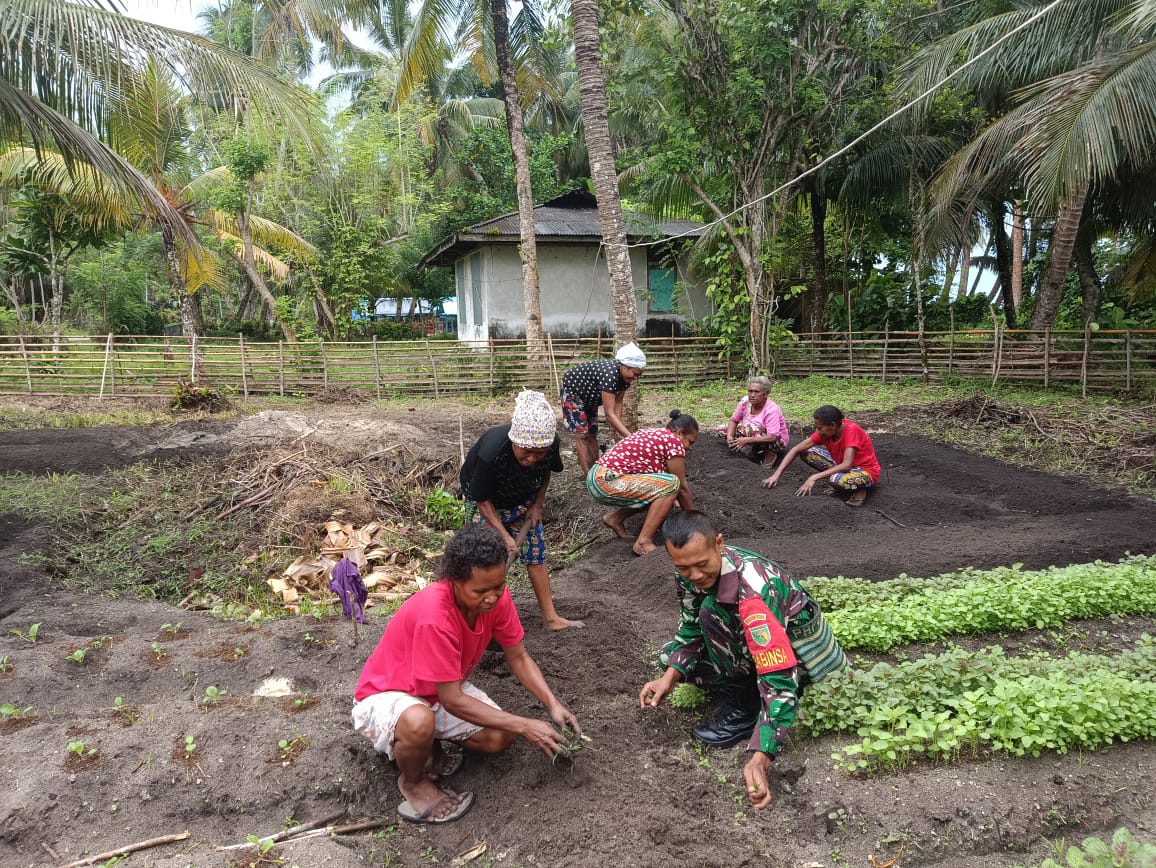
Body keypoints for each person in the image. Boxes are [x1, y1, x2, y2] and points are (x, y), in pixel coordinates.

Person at [352, 523, 582, 824]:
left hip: (437, 692)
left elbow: (519, 656)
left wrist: (552, 703)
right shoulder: (436, 616)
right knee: (419, 719)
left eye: (499, 587)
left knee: (500, 735)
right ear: (455, 582)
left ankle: (428, 744)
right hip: (387, 695)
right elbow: (453, 700)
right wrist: (526, 725)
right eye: (481, 591)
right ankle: (413, 781)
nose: (492, 598)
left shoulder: (497, 599)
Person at [638, 511, 847, 811]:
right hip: (752, 646)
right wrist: (668, 679)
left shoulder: (754, 591)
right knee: (669, 657)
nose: (695, 575)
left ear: (719, 544)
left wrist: (763, 755)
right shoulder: (690, 572)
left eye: (701, 565)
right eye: (683, 567)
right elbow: (690, 627)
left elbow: (779, 676)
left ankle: (744, 708)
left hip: (804, 662)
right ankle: (743, 688)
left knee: (713, 613)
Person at [460, 390, 582, 631]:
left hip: (521, 500)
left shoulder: (549, 446)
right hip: (485, 503)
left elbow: (545, 471)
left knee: (536, 553)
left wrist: (537, 505)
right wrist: (505, 537)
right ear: (514, 440)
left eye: (539, 452)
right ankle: (474, 620)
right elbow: (482, 500)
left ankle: (551, 618)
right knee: (484, 561)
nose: (532, 458)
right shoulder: (492, 452)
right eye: (526, 450)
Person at [586, 409, 698, 556]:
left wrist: (673, 500)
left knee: (662, 491)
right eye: (690, 441)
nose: (690, 447)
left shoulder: (655, 435)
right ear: (679, 433)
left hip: (597, 477)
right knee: (672, 484)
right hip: (607, 480)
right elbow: (682, 487)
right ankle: (643, 542)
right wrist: (697, 524)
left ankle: (615, 519)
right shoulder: (673, 442)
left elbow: (657, 484)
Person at [760, 404, 880, 507]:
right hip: (842, 465)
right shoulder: (825, 433)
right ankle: (842, 484)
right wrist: (776, 475)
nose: (818, 431)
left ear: (832, 425)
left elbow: (847, 465)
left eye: (820, 428)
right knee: (807, 452)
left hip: (866, 471)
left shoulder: (851, 430)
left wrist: (814, 477)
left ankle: (860, 489)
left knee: (836, 480)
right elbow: (796, 449)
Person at [560, 341, 647, 475]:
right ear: (624, 367)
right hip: (574, 393)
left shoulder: (624, 380)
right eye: (635, 374)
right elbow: (609, 414)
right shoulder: (610, 375)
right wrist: (630, 437)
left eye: (638, 375)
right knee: (582, 434)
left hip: (590, 397)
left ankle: (597, 472)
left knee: (592, 432)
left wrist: (618, 431)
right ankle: (588, 476)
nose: (635, 378)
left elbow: (618, 405)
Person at [717, 376, 790, 466]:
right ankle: (752, 451)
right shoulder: (745, 401)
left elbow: (773, 437)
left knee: (750, 428)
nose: (752, 395)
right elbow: (734, 420)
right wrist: (730, 437)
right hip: (753, 433)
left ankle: (769, 454)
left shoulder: (771, 410)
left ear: (766, 394)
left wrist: (746, 440)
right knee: (722, 429)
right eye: (750, 391)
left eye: (756, 392)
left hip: (776, 441)